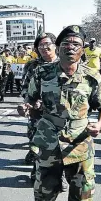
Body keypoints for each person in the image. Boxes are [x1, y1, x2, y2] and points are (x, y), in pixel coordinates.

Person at [19, 25, 101, 201]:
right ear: (58, 48)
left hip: (80, 144)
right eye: (65, 44)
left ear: (82, 50)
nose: (70, 48)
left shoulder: (92, 76)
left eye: (76, 44)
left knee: (83, 193)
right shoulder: (42, 74)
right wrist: (27, 108)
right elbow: (29, 100)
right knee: (44, 189)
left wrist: (99, 124)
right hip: (48, 141)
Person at [20, 32, 62, 187]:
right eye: (40, 45)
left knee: (59, 146)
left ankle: (59, 175)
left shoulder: (65, 64)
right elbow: (24, 89)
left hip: (59, 114)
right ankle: (37, 172)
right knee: (36, 144)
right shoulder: (32, 66)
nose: (44, 48)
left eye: (47, 44)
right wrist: (31, 102)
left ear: (55, 46)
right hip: (37, 114)